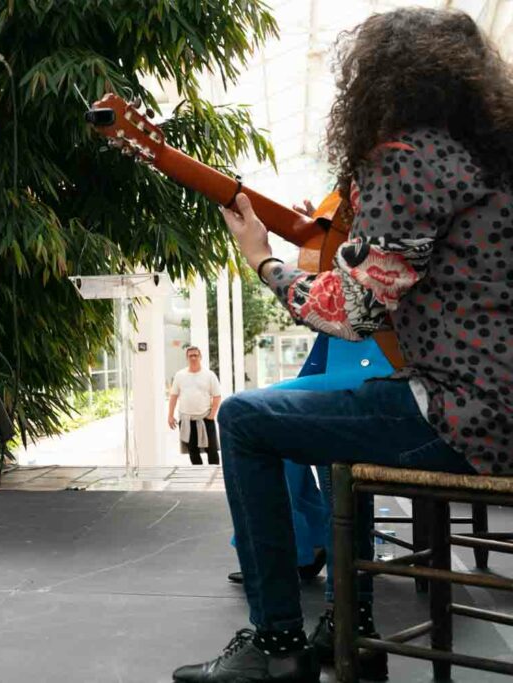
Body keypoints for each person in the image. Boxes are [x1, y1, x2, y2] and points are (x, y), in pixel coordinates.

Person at [173, 7, 513, 682]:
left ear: (380, 81)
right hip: (496, 410)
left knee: (242, 419)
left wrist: (264, 260)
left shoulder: (412, 159)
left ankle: (274, 645)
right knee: (348, 415)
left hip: (463, 418)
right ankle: (347, 623)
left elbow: (352, 308)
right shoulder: (493, 161)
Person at [168, 346, 221, 465]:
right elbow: (173, 396)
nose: (193, 358)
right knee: (193, 451)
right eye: (190, 355)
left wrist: (212, 415)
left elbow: (217, 396)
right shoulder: (180, 375)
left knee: (211, 450)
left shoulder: (209, 375)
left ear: (200, 357)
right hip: (187, 420)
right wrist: (170, 415)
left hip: (206, 418)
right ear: (187, 358)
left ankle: (215, 478)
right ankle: (200, 478)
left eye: (195, 355)